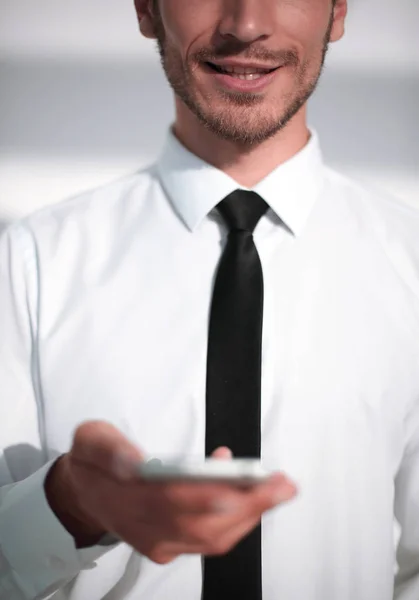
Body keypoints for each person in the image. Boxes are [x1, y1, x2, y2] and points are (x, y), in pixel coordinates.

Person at [0, 0, 418, 598]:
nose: (246, 25)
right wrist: (66, 505)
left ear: (338, 13)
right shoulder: (30, 262)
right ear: (147, 9)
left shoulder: (413, 264)